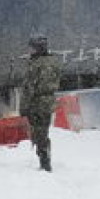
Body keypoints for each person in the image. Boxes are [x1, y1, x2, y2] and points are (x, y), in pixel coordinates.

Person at [22, 34, 61, 172]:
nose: (30, 51)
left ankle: (44, 161)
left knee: (38, 132)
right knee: (43, 131)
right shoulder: (53, 61)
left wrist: (24, 106)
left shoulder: (36, 64)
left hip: (37, 102)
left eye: (32, 48)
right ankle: (45, 158)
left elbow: (30, 86)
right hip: (48, 101)